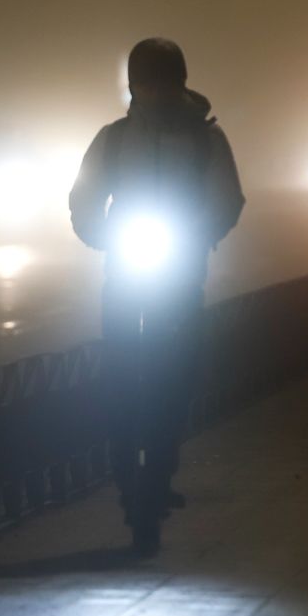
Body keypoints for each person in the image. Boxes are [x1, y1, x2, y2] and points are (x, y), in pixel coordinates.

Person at [68, 38, 244, 526]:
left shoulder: (207, 140)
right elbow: (84, 196)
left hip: (182, 272)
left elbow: (227, 199)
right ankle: (126, 477)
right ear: (134, 86)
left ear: (180, 82)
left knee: (175, 377)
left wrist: (201, 234)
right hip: (125, 269)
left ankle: (161, 474)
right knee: (121, 375)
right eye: (146, 81)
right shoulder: (114, 139)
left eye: (163, 80)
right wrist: (98, 234)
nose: (155, 90)